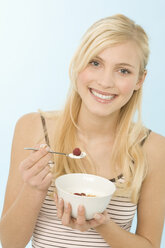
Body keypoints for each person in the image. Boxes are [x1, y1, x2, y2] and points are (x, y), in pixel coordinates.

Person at [0, 14, 165, 248]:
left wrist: (102, 224)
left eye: (123, 71)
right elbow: (10, 243)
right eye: (95, 63)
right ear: (78, 63)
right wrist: (33, 189)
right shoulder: (33, 128)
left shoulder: (154, 149)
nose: (105, 81)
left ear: (140, 79)